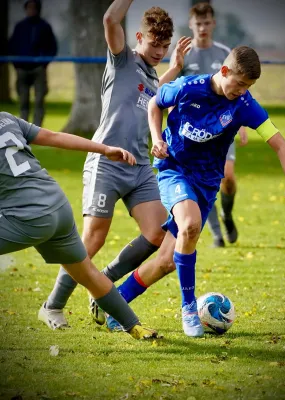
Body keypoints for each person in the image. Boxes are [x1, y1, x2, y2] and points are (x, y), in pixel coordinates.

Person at [108, 46, 285, 337]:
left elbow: (280, 144)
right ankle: (189, 309)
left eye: (248, 87)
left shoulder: (245, 105)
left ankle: (114, 302)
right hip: (173, 170)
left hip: (207, 184)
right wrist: (157, 138)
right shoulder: (188, 88)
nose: (241, 91)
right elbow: (154, 104)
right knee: (190, 225)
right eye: (239, 84)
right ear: (224, 71)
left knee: (166, 261)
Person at [39, 0, 191, 330]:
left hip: (139, 169)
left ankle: (104, 280)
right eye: (154, 44)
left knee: (156, 233)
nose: (159, 51)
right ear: (139, 37)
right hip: (106, 164)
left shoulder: (153, 77)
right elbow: (110, 18)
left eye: (164, 46)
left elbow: (154, 90)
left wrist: (176, 66)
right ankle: (52, 306)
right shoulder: (121, 59)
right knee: (92, 240)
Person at [0, 111, 158, 340]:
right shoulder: (6, 118)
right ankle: (134, 326)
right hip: (57, 206)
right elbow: (54, 137)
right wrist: (104, 149)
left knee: (88, 273)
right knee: (88, 274)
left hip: (30, 217)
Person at [170, 2, 248, 247]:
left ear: (213, 24)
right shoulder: (185, 54)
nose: (202, 28)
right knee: (203, 180)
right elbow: (173, 92)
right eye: (198, 23)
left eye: (206, 23)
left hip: (223, 129)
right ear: (191, 24)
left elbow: (239, 89)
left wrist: (243, 124)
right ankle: (216, 234)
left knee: (228, 178)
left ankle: (226, 213)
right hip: (193, 132)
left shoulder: (225, 53)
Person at [8, 0, 57, 126]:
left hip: (38, 69)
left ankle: (37, 129)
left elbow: (52, 47)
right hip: (22, 69)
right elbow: (12, 46)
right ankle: (23, 128)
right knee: (23, 101)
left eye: (33, 8)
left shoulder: (44, 27)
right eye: (29, 8)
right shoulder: (20, 27)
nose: (31, 11)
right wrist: (16, 64)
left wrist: (44, 63)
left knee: (39, 100)